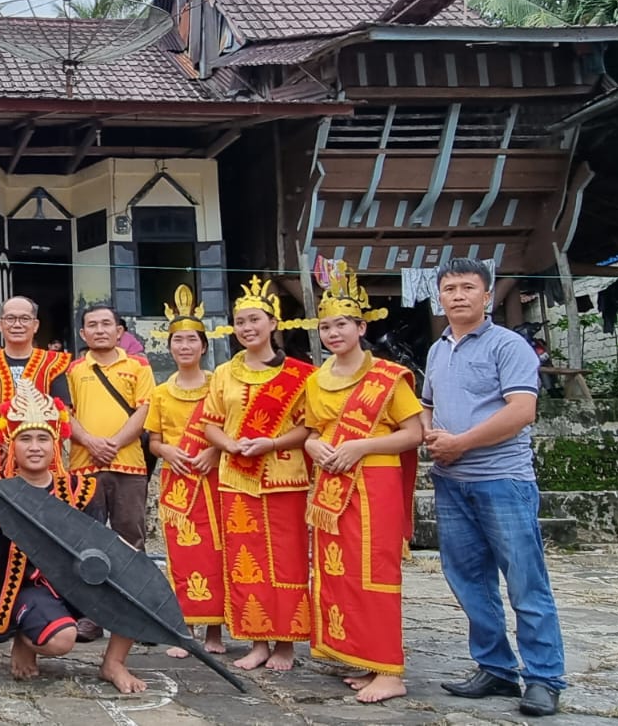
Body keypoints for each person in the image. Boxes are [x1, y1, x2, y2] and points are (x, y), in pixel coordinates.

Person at [422, 258, 565, 718]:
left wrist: (459, 442)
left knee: (525, 582)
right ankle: (495, 667)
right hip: (451, 483)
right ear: (439, 297)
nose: (458, 296)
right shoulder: (438, 348)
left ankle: (544, 677)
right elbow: (427, 405)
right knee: (469, 580)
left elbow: (522, 411)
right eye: (449, 288)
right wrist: (432, 436)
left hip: (503, 480)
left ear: (488, 296)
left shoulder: (509, 345)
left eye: (468, 287)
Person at [0, 379, 148, 692]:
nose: (35, 447)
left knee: (137, 583)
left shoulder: (81, 489)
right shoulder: (1, 491)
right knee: (62, 639)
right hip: (25, 589)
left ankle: (113, 663)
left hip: (75, 582)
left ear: (56, 443)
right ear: (11, 445)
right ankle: (24, 637)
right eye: (26, 439)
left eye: (43, 438)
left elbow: (99, 543)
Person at [301, 262, 424, 704]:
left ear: (360, 326)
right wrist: (316, 449)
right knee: (341, 573)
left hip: (375, 484)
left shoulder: (387, 377)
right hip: (332, 483)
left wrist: (362, 447)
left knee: (376, 572)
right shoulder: (317, 381)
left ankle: (391, 671)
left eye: (341, 325)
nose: (333, 333)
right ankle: (367, 659)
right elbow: (313, 432)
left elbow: (414, 433)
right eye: (326, 326)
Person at [198, 275, 313, 671]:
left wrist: (273, 443)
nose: (247, 328)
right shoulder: (225, 373)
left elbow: (308, 426)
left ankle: (286, 644)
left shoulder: (301, 374)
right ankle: (257, 640)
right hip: (236, 478)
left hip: (284, 478)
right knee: (246, 562)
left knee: (287, 561)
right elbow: (209, 422)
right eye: (241, 322)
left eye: (255, 320)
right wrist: (227, 444)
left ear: (273, 323)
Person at [145, 286, 224, 658]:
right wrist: (167, 450)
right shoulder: (161, 392)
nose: (185, 347)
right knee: (183, 554)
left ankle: (215, 632)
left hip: (215, 478)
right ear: (170, 347)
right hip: (177, 479)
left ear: (204, 346)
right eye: (178, 341)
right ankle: (186, 625)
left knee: (218, 552)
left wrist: (212, 450)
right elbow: (154, 441)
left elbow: (231, 428)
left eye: (192, 340)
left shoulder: (219, 385)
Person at [66, 302, 154, 550]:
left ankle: (132, 590)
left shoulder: (139, 366)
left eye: (106, 324)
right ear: (83, 334)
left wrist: (113, 443)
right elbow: (65, 413)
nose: (100, 330)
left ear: (119, 331)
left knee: (131, 541)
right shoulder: (72, 370)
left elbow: (144, 410)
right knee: (84, 541)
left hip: (129, 466)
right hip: (85, 464)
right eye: (92, 325)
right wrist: (90, 442)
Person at [0, 296, 71, 476]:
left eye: (24, 319)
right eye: (10, 319)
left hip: (41, 460)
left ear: (35, 325)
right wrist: (0, 438)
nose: (17, 324)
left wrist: (25, 441)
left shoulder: (53, 363)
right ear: (0, 324)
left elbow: (63, 413)